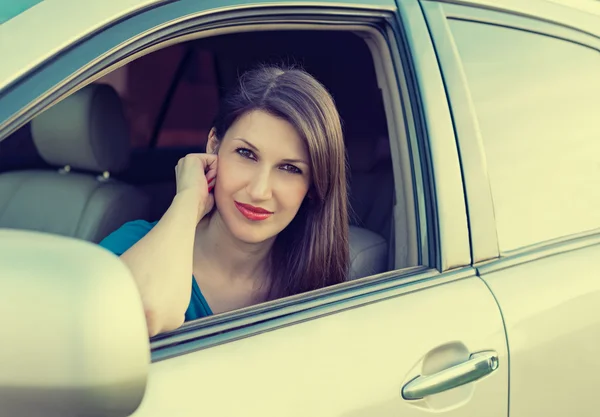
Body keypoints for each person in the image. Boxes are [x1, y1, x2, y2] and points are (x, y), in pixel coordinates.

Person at [99, 65, 349, 337]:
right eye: (246, 154)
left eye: (290, 169)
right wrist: (187, 202)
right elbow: (137, 313)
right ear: (213, 146)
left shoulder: (320, 284)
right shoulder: (132, 244)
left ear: (313, 186)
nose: (259, 190)